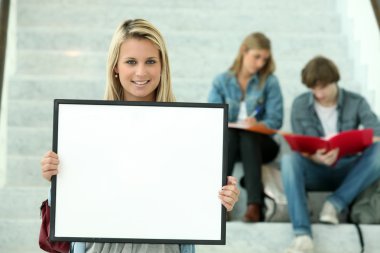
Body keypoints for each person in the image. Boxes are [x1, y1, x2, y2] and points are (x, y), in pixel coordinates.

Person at [40, 19, 240, 253]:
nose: (141, 72)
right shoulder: (87, 126)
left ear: (162, 65)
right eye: (131, 61)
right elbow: (73, 207)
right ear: (116, 65)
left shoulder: (189, 129)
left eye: (151, 61)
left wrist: (223, 199)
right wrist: (56, 179)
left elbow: (192, 203)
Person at [281, 55, 380, 253]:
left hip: (349, 170)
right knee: (289, 161)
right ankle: (302, 235)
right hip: (315, 170)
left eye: (323, 87)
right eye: (313, 89)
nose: (318, 94)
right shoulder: (300, 105)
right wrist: (315, 156)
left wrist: (351, 145)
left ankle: (335, 204)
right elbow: (299, 147)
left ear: (335, 80)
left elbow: (377, 134)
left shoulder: (356, 102)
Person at [208, 32, 283, 222]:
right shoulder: (221, 81)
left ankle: (254, 205)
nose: (260, 64)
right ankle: (223, 204)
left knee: (248, 135)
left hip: (261, 144)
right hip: (232, 144)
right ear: (244, 51)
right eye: (256, 57)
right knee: (232, 134)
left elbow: (275, 121)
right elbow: (213, 118)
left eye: (264, 59)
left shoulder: (270, 82)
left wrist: (257, 125)